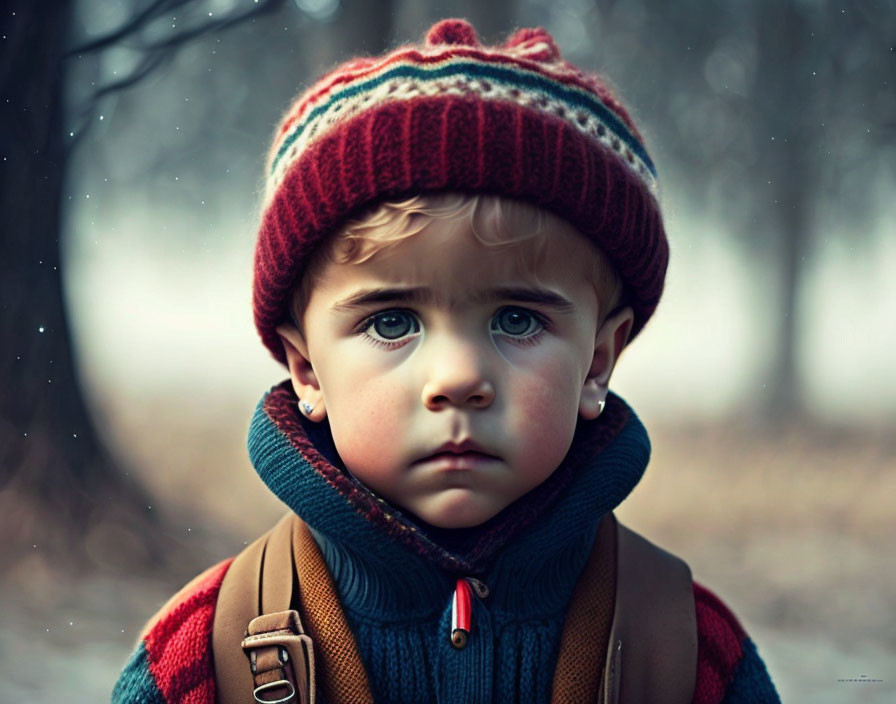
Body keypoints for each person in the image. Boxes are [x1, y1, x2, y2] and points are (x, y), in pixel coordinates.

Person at [112, 18, 780, 703]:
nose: (458, 378)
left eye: (517, 320)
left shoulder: (683, 651)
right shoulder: (206, 657)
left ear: (598, 360)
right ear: (307, 369)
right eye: (392, 322)